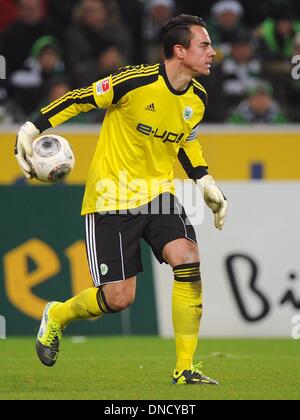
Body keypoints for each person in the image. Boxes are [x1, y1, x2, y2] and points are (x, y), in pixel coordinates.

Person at [14, 14, 228, 385]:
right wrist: (34, 127)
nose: (212, 52)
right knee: (119, 298)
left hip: (159, 194)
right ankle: (59, 315)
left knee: (188, 258)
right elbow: (81, 99)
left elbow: (185, 138)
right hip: (110, 197)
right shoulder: (135, 81)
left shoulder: (198, 97)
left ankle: (185, 368)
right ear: (180, 50)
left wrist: (204, 179)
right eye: (204, 45)